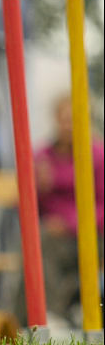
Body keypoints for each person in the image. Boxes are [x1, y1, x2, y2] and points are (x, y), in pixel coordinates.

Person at [34, 93, 104, 327]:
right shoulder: (42, 156)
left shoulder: (98, 155)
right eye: (65, 119)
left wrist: (71, 224)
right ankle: (52, 317)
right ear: (55, 119)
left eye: (76, 119)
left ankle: (69, 312)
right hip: (54, 235)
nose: (70, 126)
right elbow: (27, 207)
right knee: (40, 241)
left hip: (94, 232)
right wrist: (39, 187)